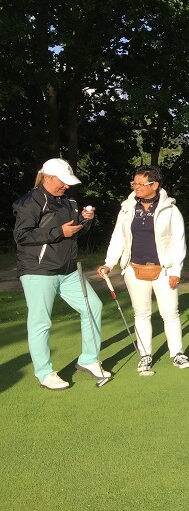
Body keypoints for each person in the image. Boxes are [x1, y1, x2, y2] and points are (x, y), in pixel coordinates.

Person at [13, 158, 111, 390]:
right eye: (63, 181)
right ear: (47, 178)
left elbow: (74, 233)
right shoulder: (29, 201)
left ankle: (88, 359)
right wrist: (59, 231)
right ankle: (45, 373)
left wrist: (85, 221)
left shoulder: (69, 201)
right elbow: (22, 236)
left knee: (93, 307)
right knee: (41, 322)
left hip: (68, 268)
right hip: (38, 270)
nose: (66, 186)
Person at [97, 165, 189, 373]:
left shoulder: (170, 209)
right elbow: (118, 238)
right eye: (134, 183)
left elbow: (179, 242)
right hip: (134, 268)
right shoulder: (127, 208)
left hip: (164, 269)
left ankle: (177, 353)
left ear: (155, 185)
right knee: (141, 314)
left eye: (141, 184)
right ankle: (145, 356)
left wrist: (176, 271)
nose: (136, 187)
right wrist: (109, 263)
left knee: (170, 312)